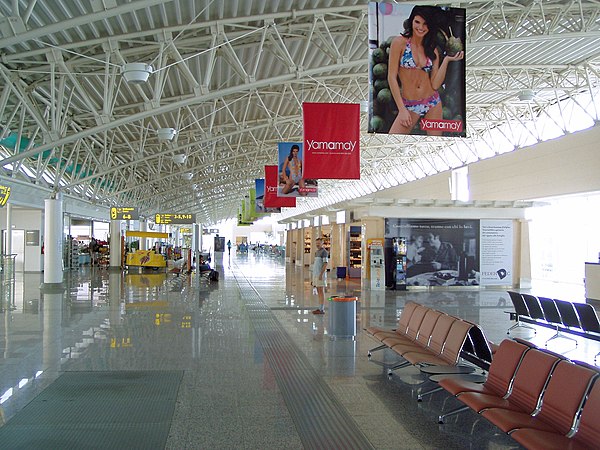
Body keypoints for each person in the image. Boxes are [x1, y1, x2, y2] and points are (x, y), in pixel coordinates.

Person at [387, 6, 464, 135]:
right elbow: (391, 77)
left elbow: (435, 84)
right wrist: (402, 109)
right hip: (410, 104)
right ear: (411, 21)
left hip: (432, 101)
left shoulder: (432, 50)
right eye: (417, 22)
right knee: (392, 138)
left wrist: (446, 60)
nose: (421, 27)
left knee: (434, 144)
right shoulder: (399, 43)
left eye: (425, 24)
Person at [311, 238, 329, 314]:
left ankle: (321, 309)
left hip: (320, 275)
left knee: (321, 291)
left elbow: (325, 264)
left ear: (322, 243)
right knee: (318, 291)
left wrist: (321, 274)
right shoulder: (317, 252)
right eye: (316, 243)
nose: (317, 244)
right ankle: (319, 307)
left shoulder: (324, 252)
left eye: (319, 243)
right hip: (316, 274)